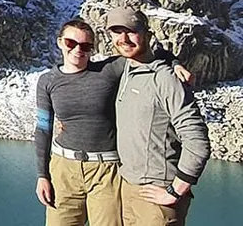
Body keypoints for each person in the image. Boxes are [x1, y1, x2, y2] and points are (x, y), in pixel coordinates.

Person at [34, 18, 189, 226]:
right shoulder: (47, 81)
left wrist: (176, 63)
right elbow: (43, 129)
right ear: (60, 42)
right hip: (64, 169)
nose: (78, 50)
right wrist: (42, 175)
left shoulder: (108, 71)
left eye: (86, 46)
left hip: (106, 170)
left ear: (92, 49)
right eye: (71, 43)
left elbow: (149, 52)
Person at [107, 7, 211, 226]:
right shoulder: (126, 69)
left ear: (146, 34)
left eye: (131, 31)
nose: (123, 39)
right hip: (129, 190)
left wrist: (175, 190)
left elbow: (197, 141)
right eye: (117, 32)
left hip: (158, 196)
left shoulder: (166, 79)